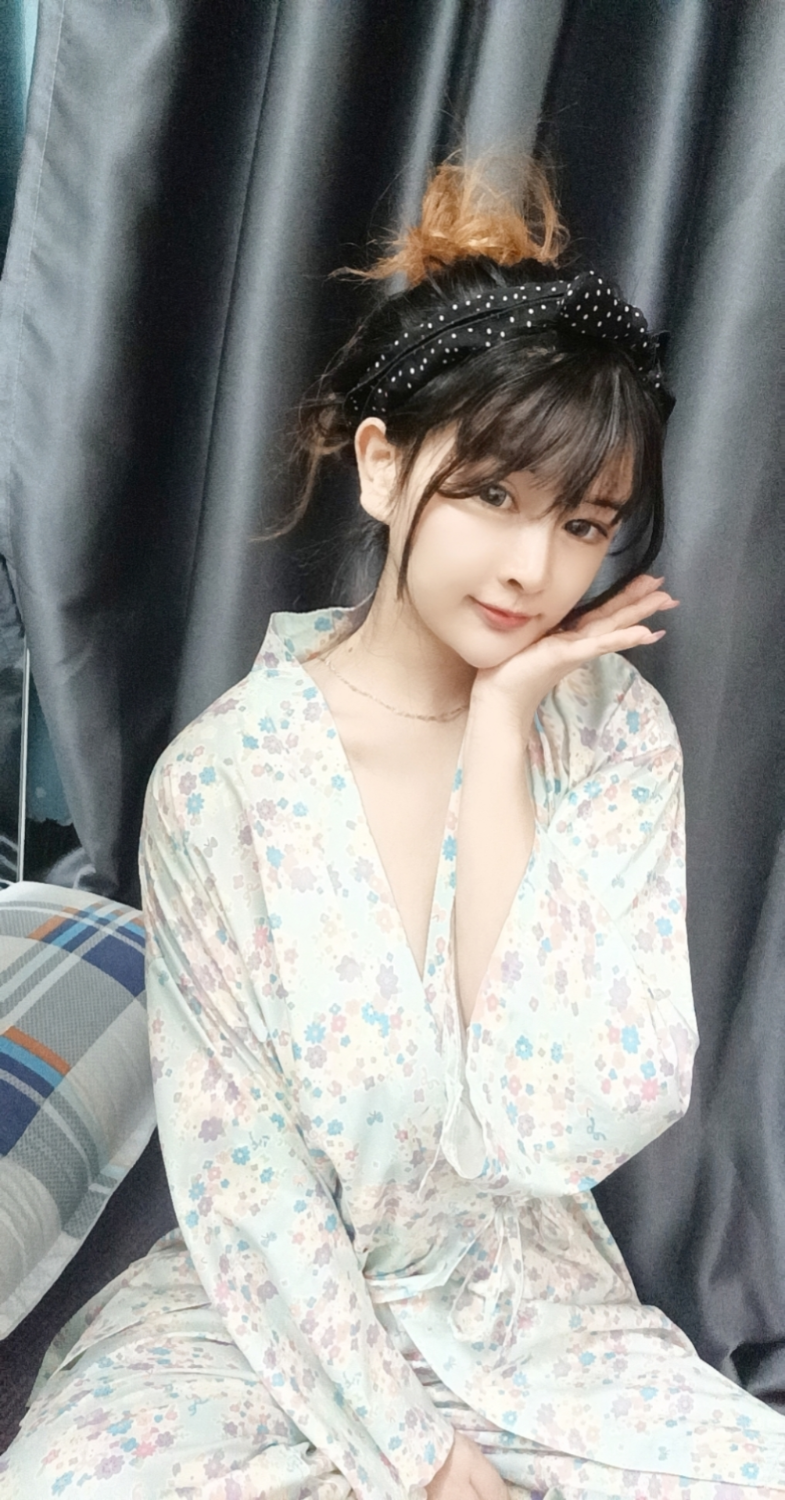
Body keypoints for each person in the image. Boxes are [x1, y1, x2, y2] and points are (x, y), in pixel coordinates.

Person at [3, 162, 785, 1500]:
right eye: (492, 495)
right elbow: (246, 1182)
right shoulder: (223, 785)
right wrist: (417, 1457)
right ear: (381, 465)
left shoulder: (609, 740)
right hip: (269, 1324)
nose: (535, 568)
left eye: (582, 522)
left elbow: (560, 1123)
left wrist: (501, 738)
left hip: (534, 1316)